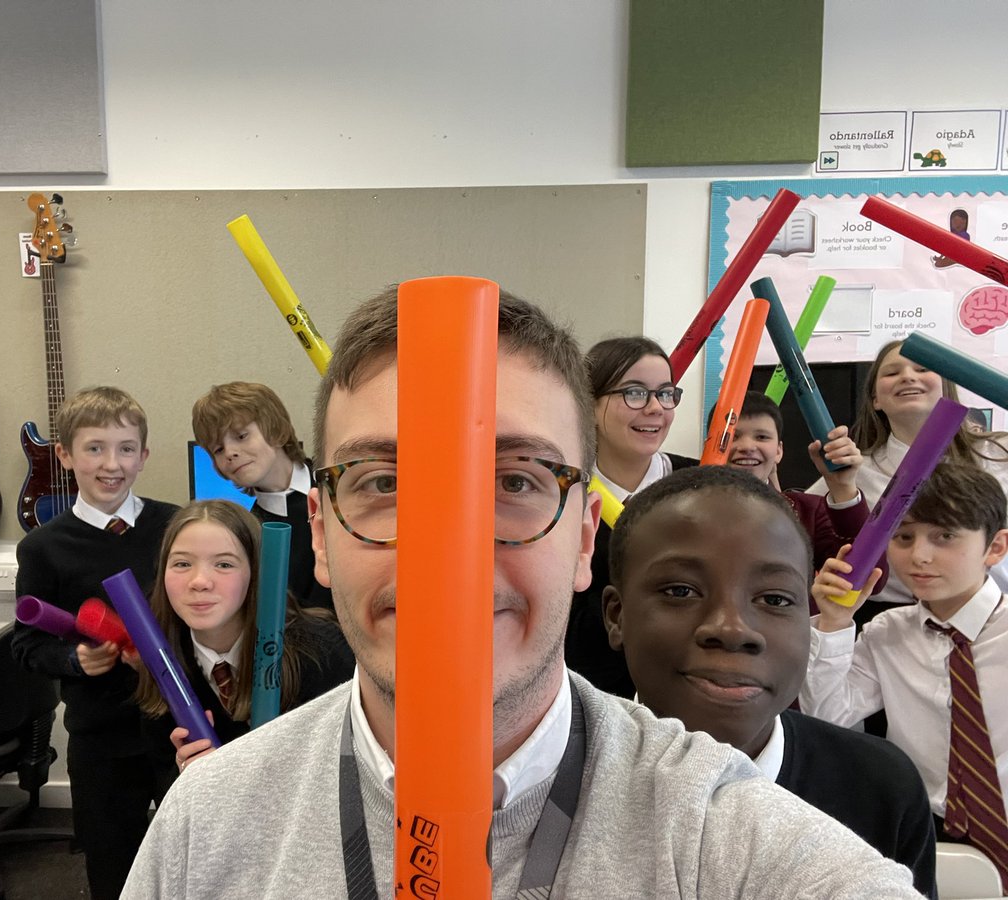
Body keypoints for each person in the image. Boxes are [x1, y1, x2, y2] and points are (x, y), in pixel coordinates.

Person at [123, 287, 919, 898]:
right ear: (321, 537)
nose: (449, 558)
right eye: (384, 482)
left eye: (515, 480)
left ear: (583, 540)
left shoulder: (719, 830)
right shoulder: (208, 823)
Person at [603, 465, 937, 896]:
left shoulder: (880, 788)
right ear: (617, 615)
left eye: (775, 598)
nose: (733, 629)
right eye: (681, 591)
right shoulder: (550, 786)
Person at [802, 463, 1008, 889]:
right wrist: (835, 623)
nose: (920, 556)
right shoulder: (886, 634)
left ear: (995, 547)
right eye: (903, 537)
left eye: (945, 536)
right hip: (929, 839)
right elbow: (828, 720)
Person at [12, 386, 180, 900]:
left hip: (177, 728)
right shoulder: (42, 548)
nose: (112, 464)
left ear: (144, 456)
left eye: (126, 449)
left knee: (195, 858)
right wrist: (76, 659)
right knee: (113, 867)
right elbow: (28, 645)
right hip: (100, 736)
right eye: (94, 448)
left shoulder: (176, 526)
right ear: (64, 455)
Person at [134, 499, 353, 798]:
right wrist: (187, 777)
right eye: (182, 564)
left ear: (255, 573)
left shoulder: (320, 651)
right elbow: (166, 796)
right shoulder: (161, 661)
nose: (199, 581)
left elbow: (350, 776)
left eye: (224, 564)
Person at [808, 339, 1008, 620]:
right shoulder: (853, 472)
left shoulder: (1000, 455)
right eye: (891, 373)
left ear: (946, 388)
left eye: (922, 368)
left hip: (994, 616)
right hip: (888, 622)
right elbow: (794, 526)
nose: (908, 376)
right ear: (875, 398)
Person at [566, 336, 697, 697]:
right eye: (635, 393)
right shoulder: (565, 494)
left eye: (666, 393)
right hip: (590, 697)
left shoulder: (701, 488)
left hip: (688, 697)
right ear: (589, 404)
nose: (656, 408)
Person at [726, 391, 884, 603]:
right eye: (732, 436)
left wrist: (843, 487)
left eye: (762, 437)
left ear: (779, 451)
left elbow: (867, 579)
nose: (746, 446)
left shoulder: (808, 511)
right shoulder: (685, 510)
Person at [192, 381, 332, 610]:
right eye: (218, 449)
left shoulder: (339, 483)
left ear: (276, 430)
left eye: (241, 436)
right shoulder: (248, 535)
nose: (230, 452)